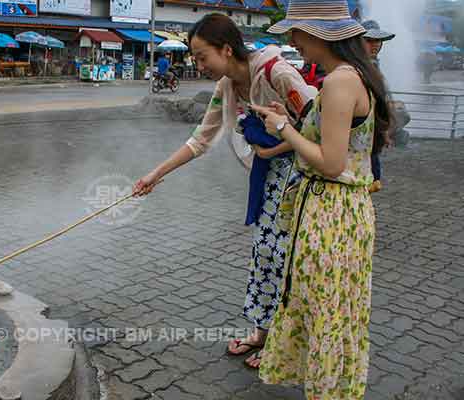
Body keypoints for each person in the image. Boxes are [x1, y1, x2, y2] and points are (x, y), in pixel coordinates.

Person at [133, 13, 316, 369]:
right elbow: (201, 139)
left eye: (202, 56)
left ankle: (281, 344)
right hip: (266, 179)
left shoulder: (278, 73)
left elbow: (320, 126)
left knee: (285, 259)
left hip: (299, 178)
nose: (198, 65)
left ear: (226, 49)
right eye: (195, 58)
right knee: (264, 254)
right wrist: (155, 174)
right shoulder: (228, 86)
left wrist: (275, 148)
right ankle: (262, 332)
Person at [252, 0, 391, 398]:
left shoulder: (339, 81)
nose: (293, 40)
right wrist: (293, 122)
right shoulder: (354, 75)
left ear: (316, 33)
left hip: (332, 212)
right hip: (343, 212)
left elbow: (331, 163)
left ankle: (327, 392)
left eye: (295, 32)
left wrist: (284, 129)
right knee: (335, 309)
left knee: (325, 309)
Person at [361, 19, 396, 193]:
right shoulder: (356, 67)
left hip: (373, 134)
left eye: (378, 40)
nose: (375, 45)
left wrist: (385, 130)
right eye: (370, 40)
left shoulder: (373, 64)